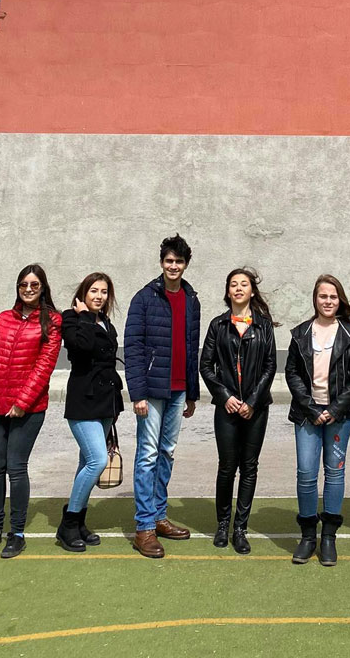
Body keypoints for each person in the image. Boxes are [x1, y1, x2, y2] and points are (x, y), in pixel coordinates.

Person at [0, 264, 62, 559]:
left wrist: (22, 403)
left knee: (16, 467)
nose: (28, 289)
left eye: (34, 285)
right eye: (24, 284)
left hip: (29, 409)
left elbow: (44, 367)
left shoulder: (52, 321)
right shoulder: (3, 319)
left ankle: (17, 533)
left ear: (43, 288)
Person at [124, 233, 201, 559]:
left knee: (166, 453)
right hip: (152, 391)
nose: (173, 266)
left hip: (179, 389)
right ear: (161, 263)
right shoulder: (144, 298)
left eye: (179, 261)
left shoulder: (192, 299)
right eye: (169, 260)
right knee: (148, 454)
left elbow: (192, 348)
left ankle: (158, 516)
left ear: (185, 264)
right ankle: (144, 527)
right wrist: (138, 393)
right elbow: (133, 347)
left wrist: (193, 392)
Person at [285, 274, 350, 567]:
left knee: (334, 473)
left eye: (333, 297)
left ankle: (328, 537)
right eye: (323, 296)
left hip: (339, 415)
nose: (328, 301)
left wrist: (335, 409)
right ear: (315, 299)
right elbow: (292, 373)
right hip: (307, 414)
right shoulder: (300, 333)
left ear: (340, 300)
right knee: (306, 473)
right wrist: (311, 408)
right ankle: (308, 536)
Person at [199, 268, 277, 554]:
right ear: (228, 291)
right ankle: (223, 524)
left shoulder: (263, 325)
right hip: (227, 408)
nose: (239, 288)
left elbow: (270, 365)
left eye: (244, 284)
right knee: (227, 466)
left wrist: (252, 401)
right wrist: (225, 397)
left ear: (252, 291)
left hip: (256, 409)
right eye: (234, 284)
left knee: (249, 466)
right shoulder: (218, 325)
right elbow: (206, 366)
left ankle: (240, 528)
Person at [56, 272, 124, 553]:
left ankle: (79, 521)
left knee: (86, 463)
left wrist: (115, 405)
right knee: (97, 461)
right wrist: (84, 316)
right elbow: (80, 347)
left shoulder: (106, 322)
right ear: (83, 294)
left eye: (104, 292)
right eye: (94, 290)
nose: (99, 296)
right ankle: (68, 524)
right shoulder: (71, 318)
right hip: (83, 401)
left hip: (106, 402)